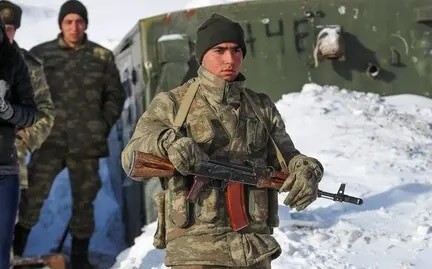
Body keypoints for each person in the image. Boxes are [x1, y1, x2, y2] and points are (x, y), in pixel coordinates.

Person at [121, 13, 323, 268]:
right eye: (219, 50)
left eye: (236, 50)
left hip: (253, 251)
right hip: (195, 252)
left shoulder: (260, 106)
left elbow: (287, 157)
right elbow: (130, 158)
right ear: (202, 55)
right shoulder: (172, 104)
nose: (230, 59)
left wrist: (307, 170)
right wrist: (167, 142)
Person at [13, 1, 125, 268]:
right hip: (49, 141)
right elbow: (23, 92)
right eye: (69, 22)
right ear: (61, 24)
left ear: (86, 24)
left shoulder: (101, 56)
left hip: (86, 145)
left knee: (84, 204)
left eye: (80, 21)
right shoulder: (41, 54)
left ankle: (79, 259)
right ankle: (12, 253)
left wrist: (102, 124)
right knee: (32, 197)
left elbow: (115, 96)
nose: (74, 27)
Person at [0, 0, 55, 196]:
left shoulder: (29, 67)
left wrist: (26, 137)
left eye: (10, 29)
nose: (6, 34)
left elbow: (45, 112)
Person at [0, 16, 38, 269]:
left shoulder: (13, 61)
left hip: (4, 171)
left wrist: (6, 111)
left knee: (1, 250)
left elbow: (31, 112)